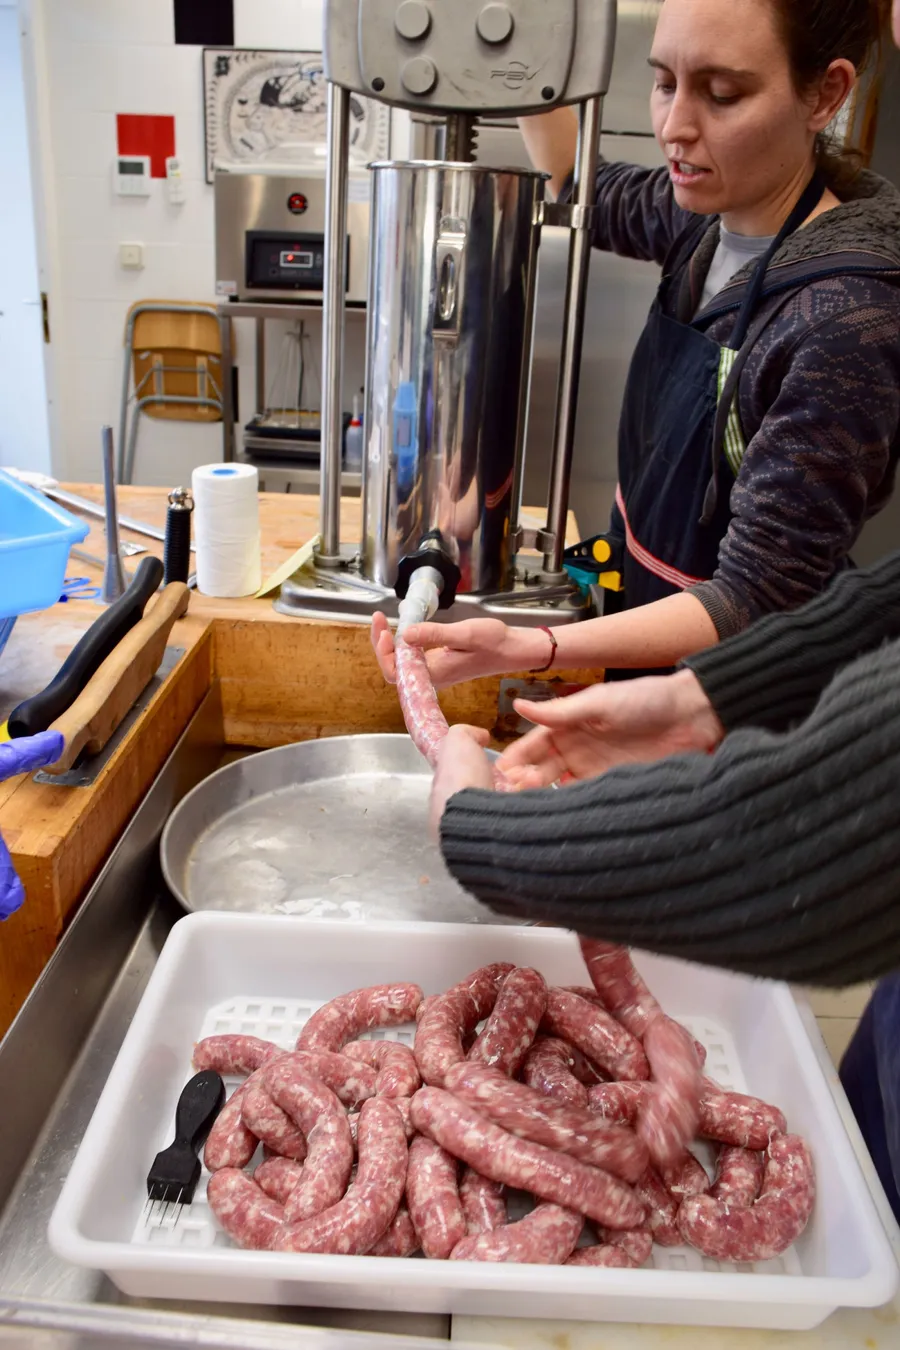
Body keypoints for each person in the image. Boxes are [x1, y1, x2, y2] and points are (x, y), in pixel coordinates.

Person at [373, 0, 900, 687]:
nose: (675, 128)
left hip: (745, 697)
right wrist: (516, 36)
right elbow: (573, 179)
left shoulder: (846, 318)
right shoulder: (704, 219)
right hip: (642, 629)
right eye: (663, 83)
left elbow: (754, 597)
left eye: (721, 94)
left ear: (825, 94)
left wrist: (536, 646)